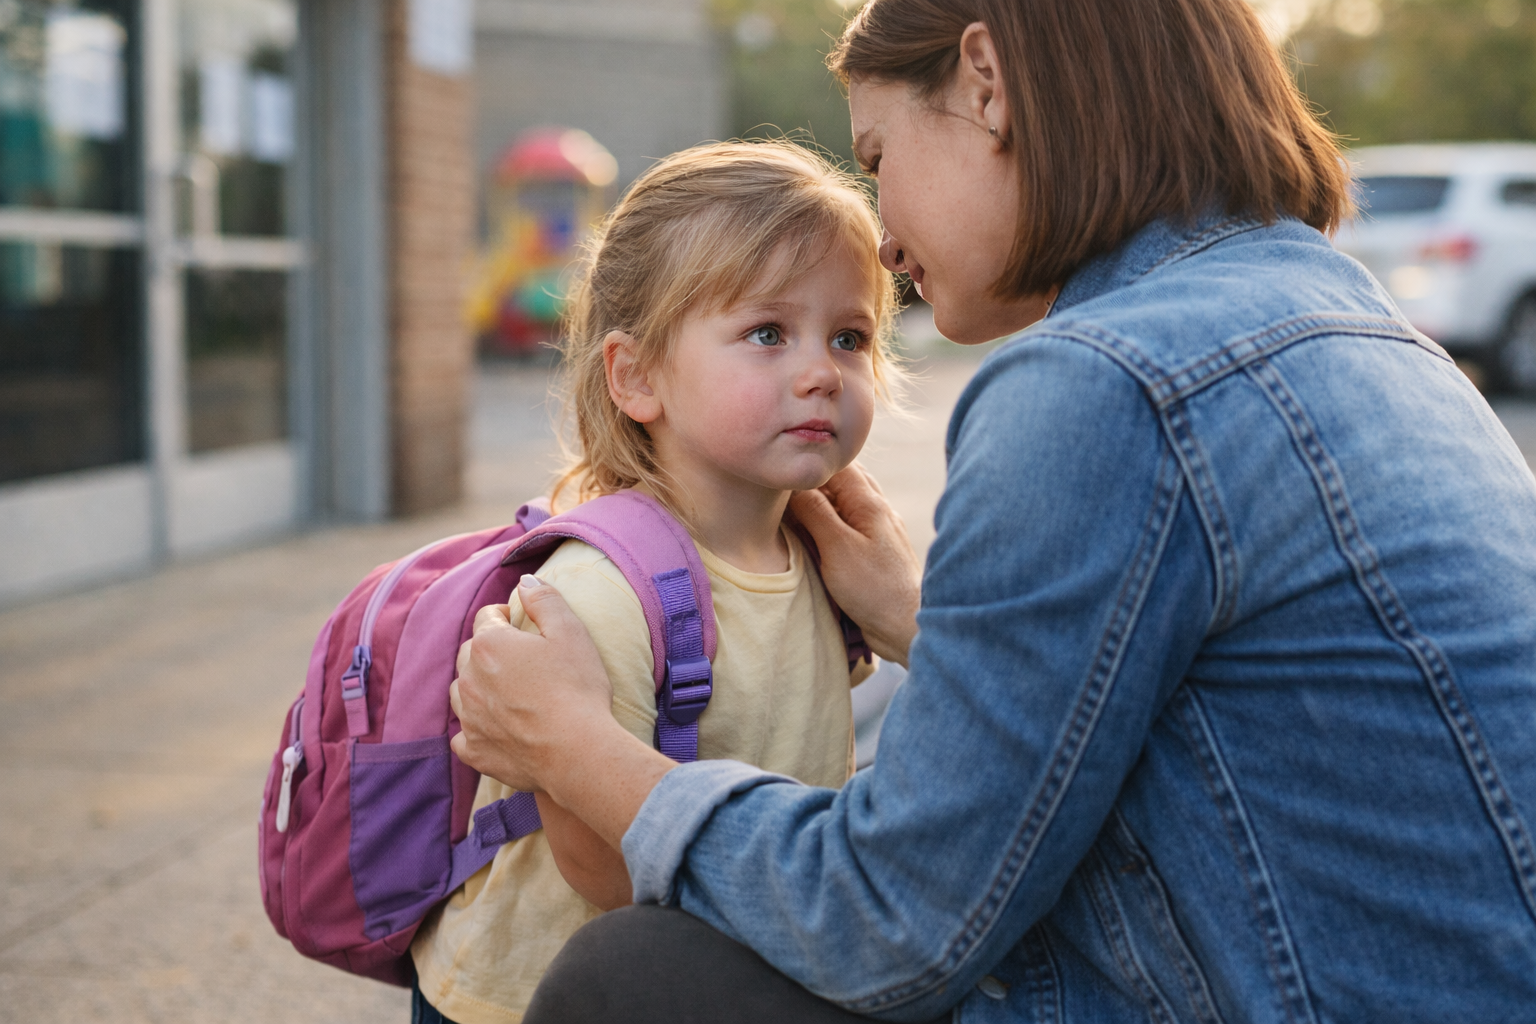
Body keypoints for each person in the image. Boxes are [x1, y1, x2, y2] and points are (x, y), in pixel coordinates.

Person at [450, 0, 1536, 1021]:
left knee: (635, 977)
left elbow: (894, 921)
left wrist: (572, 744)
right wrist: (922, 620)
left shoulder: (1108, 378)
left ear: (986, 85)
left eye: (879, 159)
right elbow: (1245, 724)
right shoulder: (1349, 317)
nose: (882, 236)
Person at [410, 141, 893, 1024]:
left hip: (709, 968)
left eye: (850, 336)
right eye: (767, 333)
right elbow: (603, 870)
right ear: (636, 376)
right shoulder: (598, 592)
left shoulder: (826, 566)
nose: (823, 369)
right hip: (532, 998)